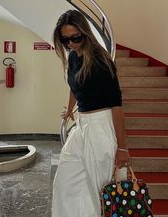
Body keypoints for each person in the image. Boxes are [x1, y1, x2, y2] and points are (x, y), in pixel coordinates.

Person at [52, 10, 130, 217]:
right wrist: (70, 110)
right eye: (65, 39)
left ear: (85, 34)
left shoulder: (101, 60)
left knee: (100, 189)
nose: (70, 43)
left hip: (101, 126)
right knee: (66, 182)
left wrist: (122, 147)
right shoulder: (73, 56)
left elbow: (117, 105)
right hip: (82, 126)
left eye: (75, 37)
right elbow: (74, 86)